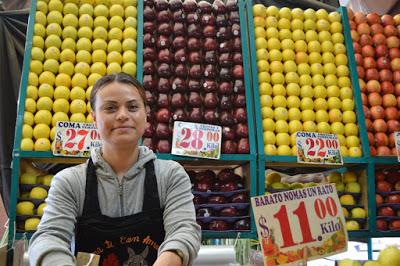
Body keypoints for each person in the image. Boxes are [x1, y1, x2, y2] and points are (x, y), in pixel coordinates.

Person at [29, 73, 201, 266]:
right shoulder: (69, 181)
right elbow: (48, 237)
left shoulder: (170, 175)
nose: (122, 115)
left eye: (133, 107)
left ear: (146, 115)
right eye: (110, 108)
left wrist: (172, 257)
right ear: (94, 118)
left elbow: (184, 230)